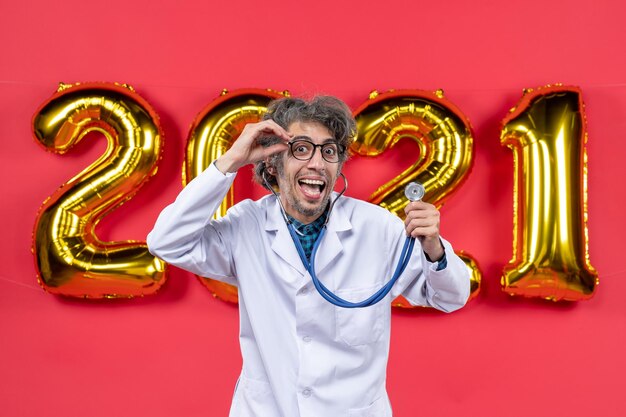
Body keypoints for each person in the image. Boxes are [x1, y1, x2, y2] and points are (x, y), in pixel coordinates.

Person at [147, 96, 470, 417]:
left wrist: (433, 248)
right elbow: (167, 241)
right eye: (300, 149)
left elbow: (450, 297)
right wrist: (231, 160)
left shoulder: (377, 228)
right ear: (272, 164)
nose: (317, 163)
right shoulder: (247, 226)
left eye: (328, 151)